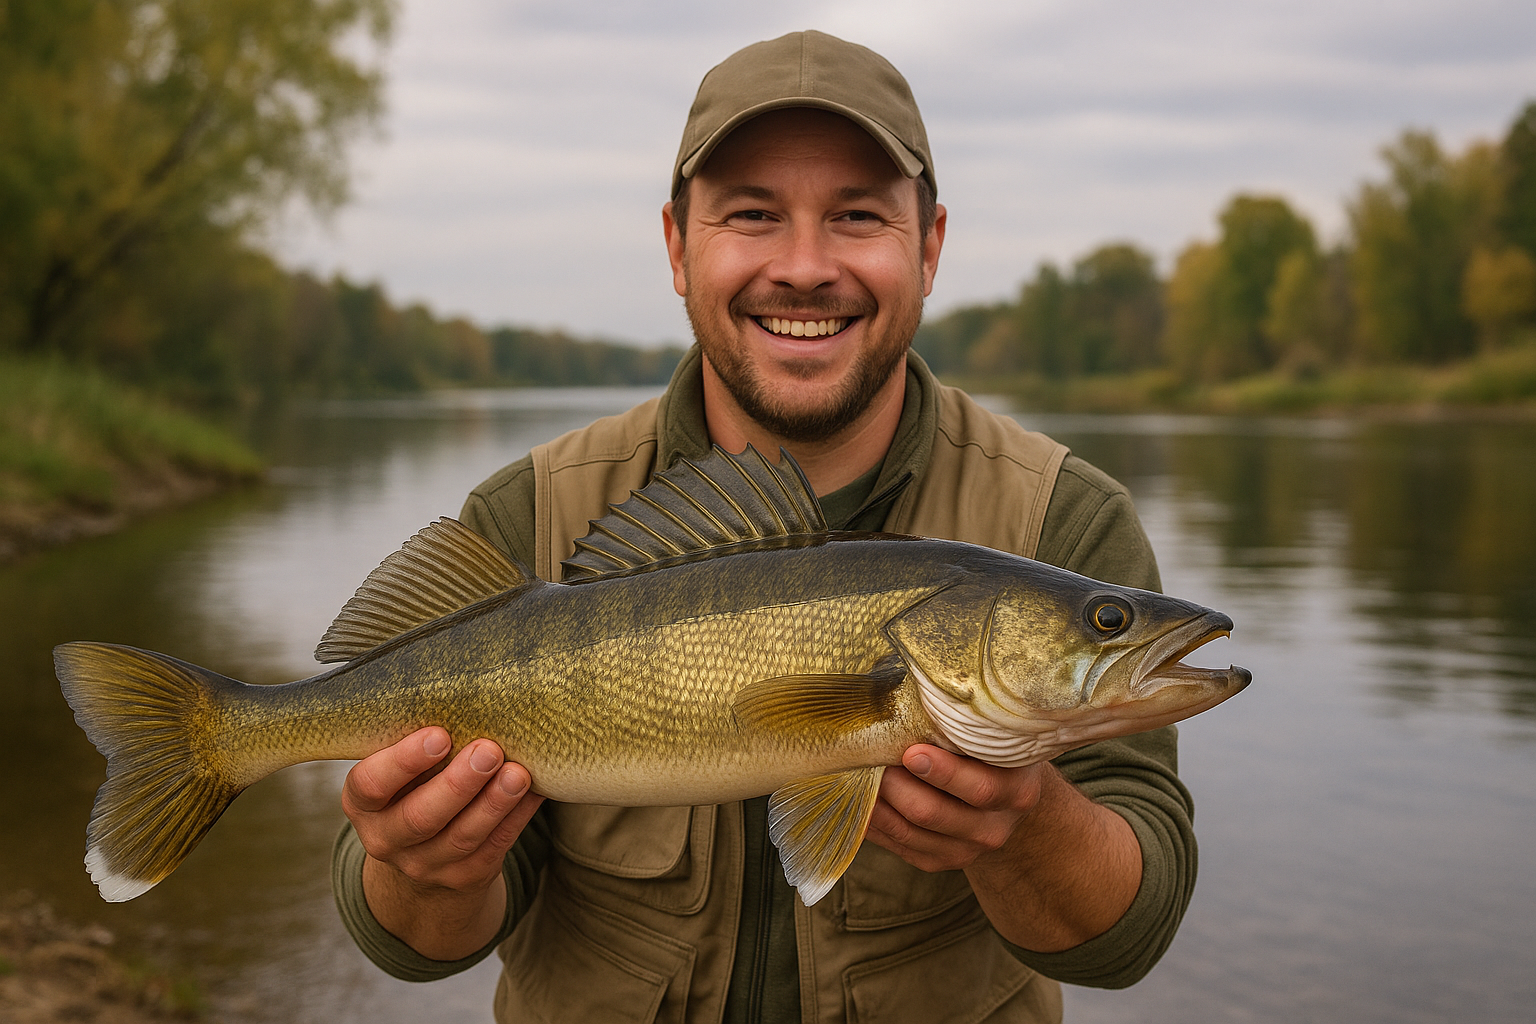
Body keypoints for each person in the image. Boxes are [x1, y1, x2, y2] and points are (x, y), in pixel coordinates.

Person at [331, 30, 1195, 1024]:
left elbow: (1129, 937)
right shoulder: (527, 519)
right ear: (675, 245)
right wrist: (425, 869)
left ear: (930, 247)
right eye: (751, 215)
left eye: (857, 216)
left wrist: (1029, 822)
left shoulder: (1062, 520)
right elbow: (411, 944)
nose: (803, 266)